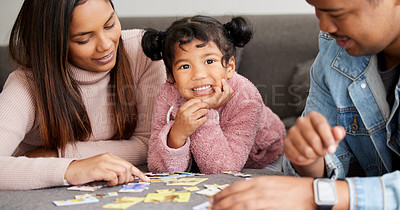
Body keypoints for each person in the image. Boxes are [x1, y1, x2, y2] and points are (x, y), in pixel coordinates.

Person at [211, 0, 400, 209]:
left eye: (336, 12)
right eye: (317, 9)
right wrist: (309, 162)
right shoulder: (334, 51)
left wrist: (318, 195)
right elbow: (321, 164)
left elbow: (317, 193)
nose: (324, 26)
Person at [0, 0, 166, 190]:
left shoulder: (143, 50)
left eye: (110, 24)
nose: (105, 45)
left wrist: (57, 154)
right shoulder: (26, 86)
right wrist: (72, 169)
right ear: (53, 44)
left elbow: (149, 144)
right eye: (84, 39)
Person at [141, 15, 285, 174]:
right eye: (185, 66)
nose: (199, 75)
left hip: (262, 158)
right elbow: (158, 169)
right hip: (204, 159)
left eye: (209, 61)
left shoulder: (246, 98)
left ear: (229, 67)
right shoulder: (167, 93)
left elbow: (224, 171)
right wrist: (176, 135)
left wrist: (205, 113)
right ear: (171, 76)